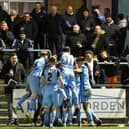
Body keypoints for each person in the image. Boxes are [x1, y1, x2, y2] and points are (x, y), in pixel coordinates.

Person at [13, 51, 49, 121]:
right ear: (46, 55)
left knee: (28, 93)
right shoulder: (45, 59)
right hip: (36, 77)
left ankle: (17, 105)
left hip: (30, 76)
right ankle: (29, 112)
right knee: (34, 95)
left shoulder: (36, 60)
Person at [75, 56, 102, 126]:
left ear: (80, 62)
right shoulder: (85, 67)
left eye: (78, 62)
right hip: (87, 88)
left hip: (85, 89)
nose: (77, 63)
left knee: (86, 106)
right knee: (86, 106)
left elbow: (77, 71)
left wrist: (67, 70)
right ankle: (96, 119)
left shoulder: (83, 67)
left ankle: (91, 122)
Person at [0, 53, 26, 125]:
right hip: (8, 89)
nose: (14, 60)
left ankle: (16, 119)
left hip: (18, 89)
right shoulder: (6, 66)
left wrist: (21, 85)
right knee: (10, 105)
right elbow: (1, 76)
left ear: (17, 59)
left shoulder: (21, 65)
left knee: (17, 105)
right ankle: (11, 119)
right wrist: (7, 75)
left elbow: (24, 76)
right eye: (13, 58)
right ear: (10, 59)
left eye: (15, 58)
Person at [40, 56, 64, 128]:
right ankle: (51, 124)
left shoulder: (45, 70)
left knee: (47, 107)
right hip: (54, 88)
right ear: (55, 62)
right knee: (54, 107)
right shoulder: (57, 70)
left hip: (47, 88)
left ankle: (44, 123)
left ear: (49, 61)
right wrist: (61, 87)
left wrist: (44, 85)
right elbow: (61, 81)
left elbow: (41, 81)